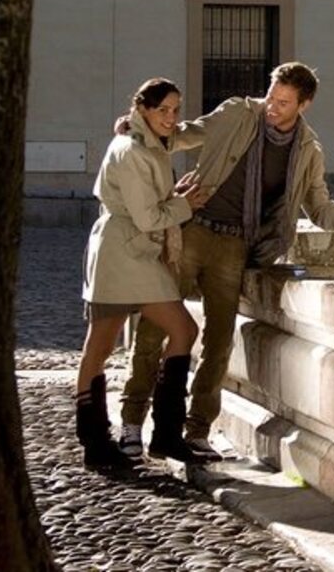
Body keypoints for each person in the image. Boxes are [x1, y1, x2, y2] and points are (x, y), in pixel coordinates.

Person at [118, 62, 334, 461]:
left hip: (236, 246)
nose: (272, 107)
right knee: (155, 328)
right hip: (192, 230)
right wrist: (143, 129)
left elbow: (321, 209)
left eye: (283, 102)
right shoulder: (240, 112)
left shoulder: (307, 150)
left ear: (304, 105)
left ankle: (197, 432)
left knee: (220, 342)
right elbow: (189, 134)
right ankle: (132, 424)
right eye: (271, 96)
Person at [76, 77, 209, 467]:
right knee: (98, 348)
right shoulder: (131, 150)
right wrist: (185, 205)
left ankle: (166, 435)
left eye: (175, 110)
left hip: (137, 252)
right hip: (121, 253)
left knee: (183, 330)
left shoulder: (150, 142)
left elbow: (154, 200)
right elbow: (148, 216)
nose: (171, 118)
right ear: (144, 110)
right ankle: (95, 443)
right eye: (163, 110)